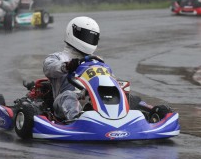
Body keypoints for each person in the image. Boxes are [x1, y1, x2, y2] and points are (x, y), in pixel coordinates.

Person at [43, 16, 172, 122]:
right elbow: (48, 68)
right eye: (86, 36)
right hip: (63, 102)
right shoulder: (59, 57)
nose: (89, 40)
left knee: (125, 96)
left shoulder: (96, 61)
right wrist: (67, 66)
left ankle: (155, 113)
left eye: (92, 37)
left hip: (94, 99)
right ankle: (77, 121)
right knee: (69, 96)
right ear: (73, 33)